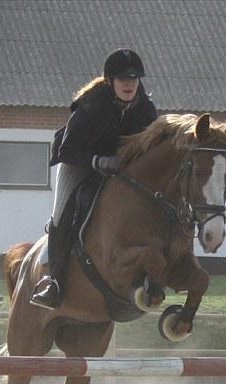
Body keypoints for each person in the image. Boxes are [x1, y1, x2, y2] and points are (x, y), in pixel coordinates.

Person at [29, 48, 158, 310]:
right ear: (110, 81)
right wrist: (97, 161)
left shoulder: (146, 108)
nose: (129, 85)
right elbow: (66, 151)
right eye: (123, 79)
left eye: (134, 79)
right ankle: (53, 282)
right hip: (79, 163)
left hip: (121, 169)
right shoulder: (91, 105)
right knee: (61, 214)